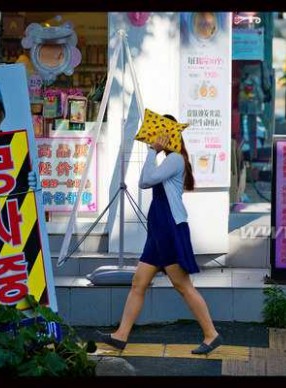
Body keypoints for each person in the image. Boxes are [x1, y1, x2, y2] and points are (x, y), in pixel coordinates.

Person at [96, 114, 222, 355]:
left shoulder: (174, 159)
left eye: (157, 134)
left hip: (169, 229)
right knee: (138, 283)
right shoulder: (171, 159)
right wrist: (154, 153)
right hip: (159, 229)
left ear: (169, 135)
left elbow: (145, 181)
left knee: (182, 285)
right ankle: (121, 335)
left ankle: (211, 334)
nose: (153, 138)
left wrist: (153, 152)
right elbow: (148, 180)